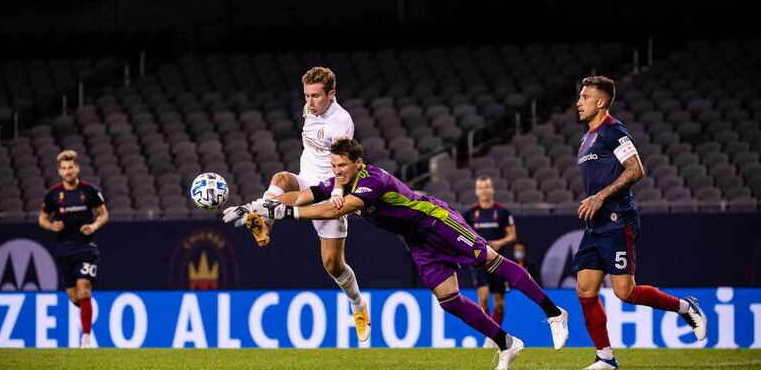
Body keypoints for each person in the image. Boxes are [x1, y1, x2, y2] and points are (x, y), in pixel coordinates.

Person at [232, 138, 569, 370]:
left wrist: (286, 215)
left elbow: (335, 212)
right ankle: (506, 343)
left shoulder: (371, 180)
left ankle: (553, 312)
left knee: (491, 263)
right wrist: (262, 208)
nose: (337, 172)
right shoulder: (339, 181)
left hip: (437, 222)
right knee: (448, 300)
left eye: (343, 166)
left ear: (357, 163)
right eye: (334, 166)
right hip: (417, 240)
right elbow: (305, 196)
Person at [222, 67, 369, 342]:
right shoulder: (308, 110)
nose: (310, 102)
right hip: (304, 181)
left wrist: (338, 190)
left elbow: (342, 163)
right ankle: (263, 225)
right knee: (281, 179)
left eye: (315, 96)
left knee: (333, 265)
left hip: (327, 192)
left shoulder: (341, 122)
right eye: (306, 95)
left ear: (331, 94)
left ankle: (358, 305)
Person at [574, 76, 706, 369]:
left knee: (625, 292)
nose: (578, 102)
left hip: (617, 220)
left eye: (584, 97)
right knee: (585, 289)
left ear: (601, 102)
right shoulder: (587, 138)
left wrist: (600, 197)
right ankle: (605, 358)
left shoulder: (612, 131)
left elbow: (636, 170)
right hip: (595, 225)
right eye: (580, 96)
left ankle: (686, 307)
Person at [38, 149, 108, 348]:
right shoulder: (53, 194)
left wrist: (93, 226)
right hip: (64, 250)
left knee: (84, 289)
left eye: (71, 167)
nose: (68, 171)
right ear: (60, 171)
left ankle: (85, 338)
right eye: (64, 168)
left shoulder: (89, 191)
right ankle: (85, 310)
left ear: (77, 168)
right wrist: (52, 226)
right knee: (75, 296)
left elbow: (104, 215)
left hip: (86, 247)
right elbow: (42, 219)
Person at [463, 176, 516, 336]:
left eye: (486, 187)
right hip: (479, 262)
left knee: (499, 303)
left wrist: (499, 243)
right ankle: (491, 334)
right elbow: (464, 235)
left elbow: (512, 236)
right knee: (484, 297)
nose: (484, 191)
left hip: (498, 261)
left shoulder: (502, 212)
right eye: (480, 188)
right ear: (476, 191)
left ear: (492, 189)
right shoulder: (471, 214)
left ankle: (496, 329)